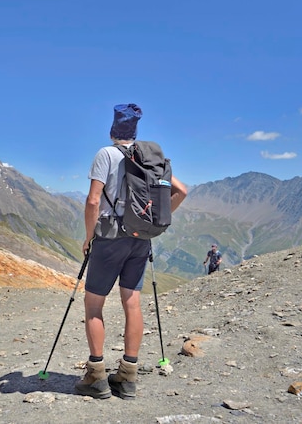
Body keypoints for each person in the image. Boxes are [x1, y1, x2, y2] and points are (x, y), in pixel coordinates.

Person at [75, 103, 187, 400]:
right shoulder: (148, 157)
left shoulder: (106, 154)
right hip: (141, 239)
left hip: (110, 238)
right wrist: (154, 223)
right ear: (135, 130)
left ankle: (96, 376)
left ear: (113, 129)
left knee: (94, 305)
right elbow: (181, 191)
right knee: (132, 303)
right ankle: (127, 377)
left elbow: (92, 201)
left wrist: (89, 236)